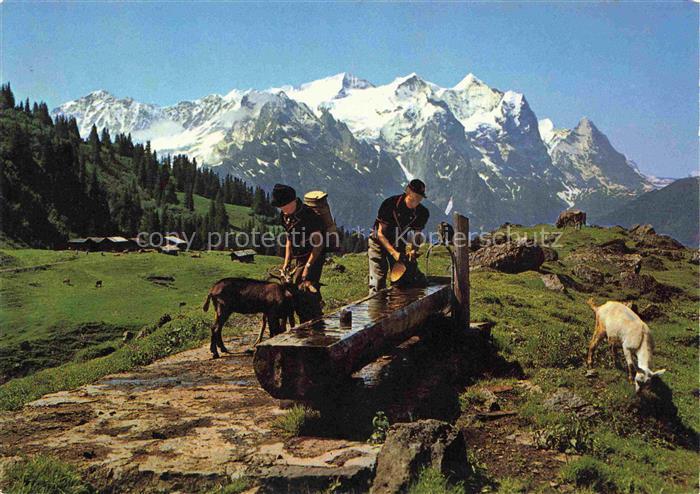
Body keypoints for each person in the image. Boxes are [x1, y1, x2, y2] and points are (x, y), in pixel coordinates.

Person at [271, 183, 325, 323]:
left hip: (314, 255)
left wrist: (308, 266)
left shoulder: (309, 216)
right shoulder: (285, 216)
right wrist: (286, 262)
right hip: (299, 257)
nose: (282, 209)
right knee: (296, 288)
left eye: (284, 206)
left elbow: (318, 245)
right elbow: (289, 239)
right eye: (280, 207)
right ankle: (307, 320)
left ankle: (315, 320)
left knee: (304, 288)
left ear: (293, 201)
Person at [368, 179, 430, 294]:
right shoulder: (390, 204)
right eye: (414, 197)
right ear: (408, 192)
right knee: (378, 279)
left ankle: (398, 306)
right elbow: (380, 233)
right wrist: (394, 253)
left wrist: (413, 250)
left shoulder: (422, 212)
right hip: (379, 241)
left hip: (398, 241)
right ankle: (376, 308)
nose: (416, 201)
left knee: (403, 278)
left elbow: (417, 235)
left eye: (420, 198)